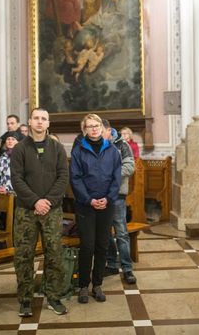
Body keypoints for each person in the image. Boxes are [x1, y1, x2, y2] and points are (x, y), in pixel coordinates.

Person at [11, 108, 69, 316]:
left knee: (54, 254)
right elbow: (16, 179)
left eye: (43, 119)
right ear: (29, 122)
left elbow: (63, 177)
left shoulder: (57, 148)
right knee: (23, 255)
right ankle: (25, 299)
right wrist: (35, 201)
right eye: (36, 118)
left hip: (52, 210)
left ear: (48, 123)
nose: (39, 122)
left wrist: (48, 201)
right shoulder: (19, 148)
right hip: (26, 210)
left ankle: (53, 296)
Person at [70, 114, 121, 304]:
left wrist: (108, 198)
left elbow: (117, 178)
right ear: (84, 130)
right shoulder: (78, 151)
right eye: (89, 126)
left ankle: (97, 284)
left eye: (96, 125)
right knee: (87, 245)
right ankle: (84, 285)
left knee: (102, 244)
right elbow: (75, 179)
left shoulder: (113, 150)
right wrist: (89, 200)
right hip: (86, 205)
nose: (93, 129)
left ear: (102, 127)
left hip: (107, 204)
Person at [101, 119, 136, 284]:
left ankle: (127, 268)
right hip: (101, 196)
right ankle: (112, 264)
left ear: (109, 130)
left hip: (117, 195)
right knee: (106, 233)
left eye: (101, 130)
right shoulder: (97, 145)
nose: (97, 133)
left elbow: (129, 167)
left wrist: (109, 173)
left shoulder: (122, 145)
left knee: (121, 233)